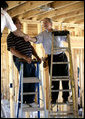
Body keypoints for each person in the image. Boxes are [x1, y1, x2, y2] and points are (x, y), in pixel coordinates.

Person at [27, 18, 69, 104]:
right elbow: (36, 39)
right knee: (54, 79)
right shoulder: (43, 34)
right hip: (51, 58)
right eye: (43, 23)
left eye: (46, 22)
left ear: (51, 24)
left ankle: (66, 98)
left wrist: (67, 33)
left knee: (65, 78)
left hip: (61, 56)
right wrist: (29, 39)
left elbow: (67, 39)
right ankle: (54, 99)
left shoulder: (58, 32)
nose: (44, 24)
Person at [6, 17, 41, 104]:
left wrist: (36, 56)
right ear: (13, 25)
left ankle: (30, 100)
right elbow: (12, 50)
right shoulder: (11, 36)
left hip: (28, 58)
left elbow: (30, 47)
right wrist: (24, 57)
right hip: (20, 59)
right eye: (18, 23)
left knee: (34, 78)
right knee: (26, 77)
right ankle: (23, 100)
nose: (20, 24)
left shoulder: (23, 35)